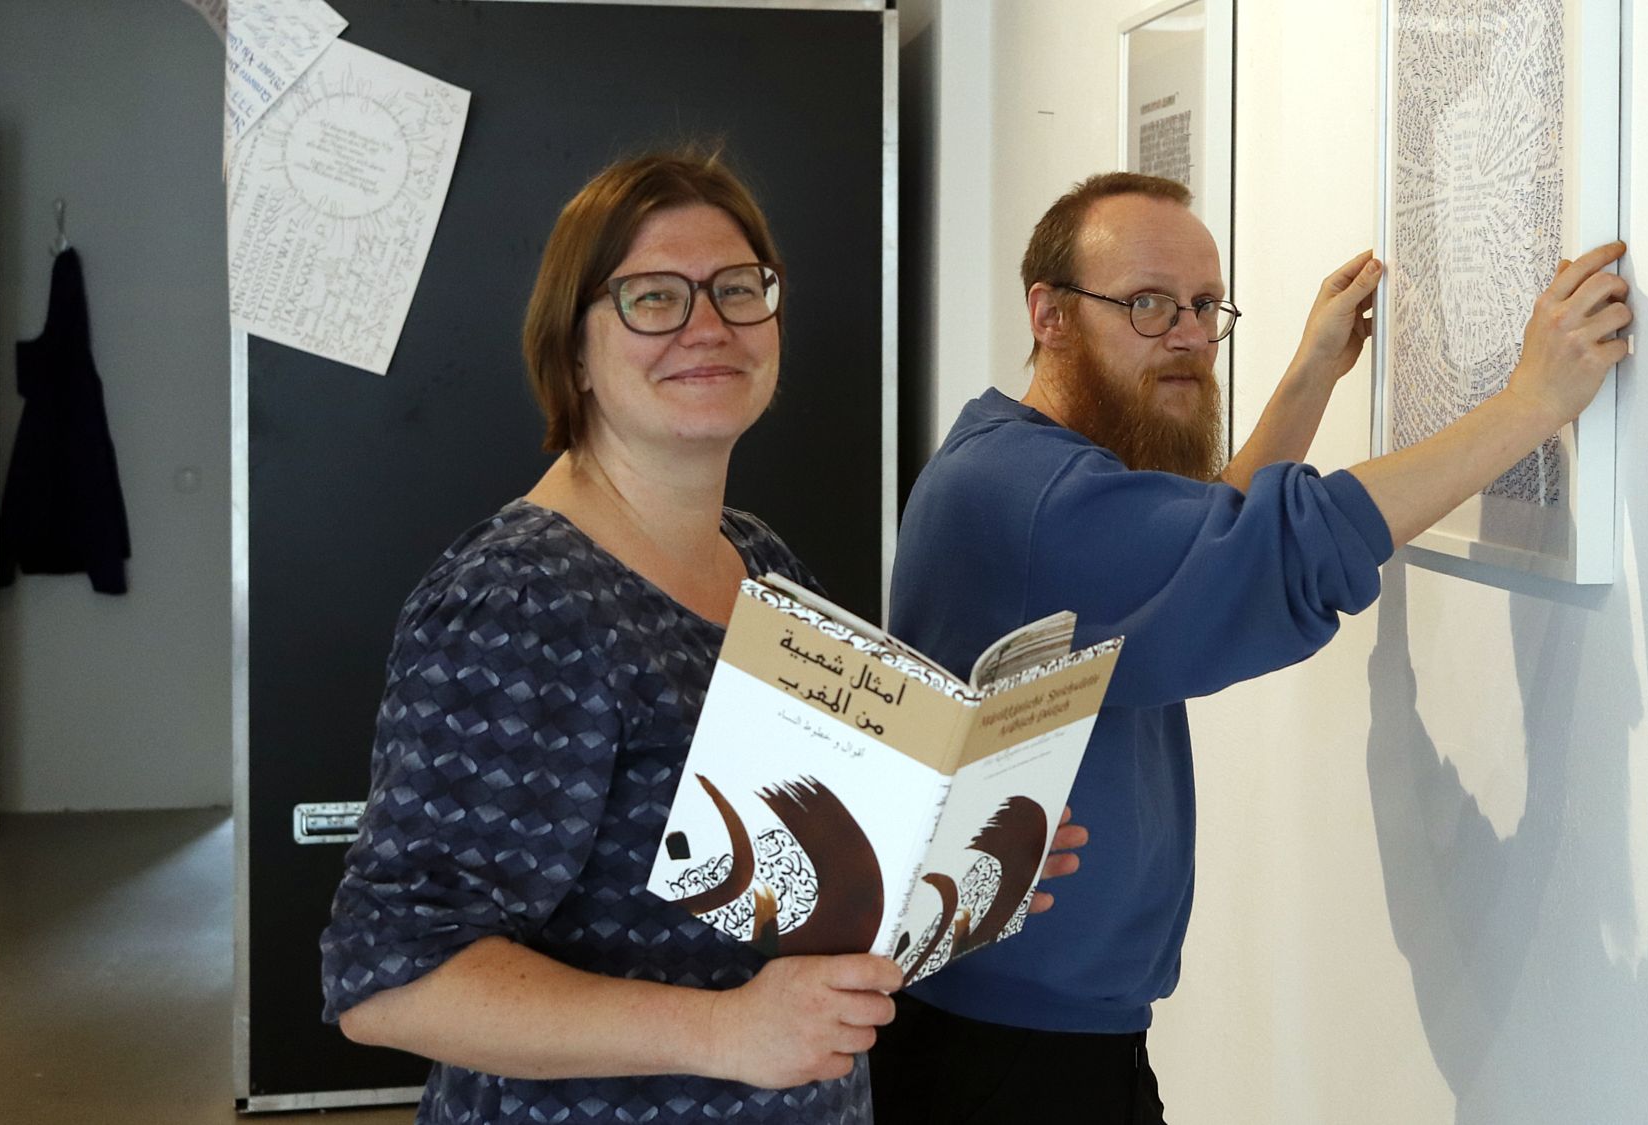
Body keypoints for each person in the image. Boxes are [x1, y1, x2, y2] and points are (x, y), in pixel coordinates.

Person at [318, 150, 1083, 1125]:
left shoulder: (758, 562)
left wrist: (957, 855)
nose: (708, 327)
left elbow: (790, 880)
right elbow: (388, 977)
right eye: (651, 297)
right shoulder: (517, 597)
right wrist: (723, 1032)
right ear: (573, 350)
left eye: (736, 289)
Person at [868, 171, 1630, 1123]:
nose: (1186, 334)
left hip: (1020, 1032)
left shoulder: (1016, 466)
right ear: (1050, 315)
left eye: (1201, 305)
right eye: (1146, 304)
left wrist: (1310, 372)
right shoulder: (1029, 499)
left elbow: (1201, 535)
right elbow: (1275, 549)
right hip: (1012, 1061)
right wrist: (1531, 403)